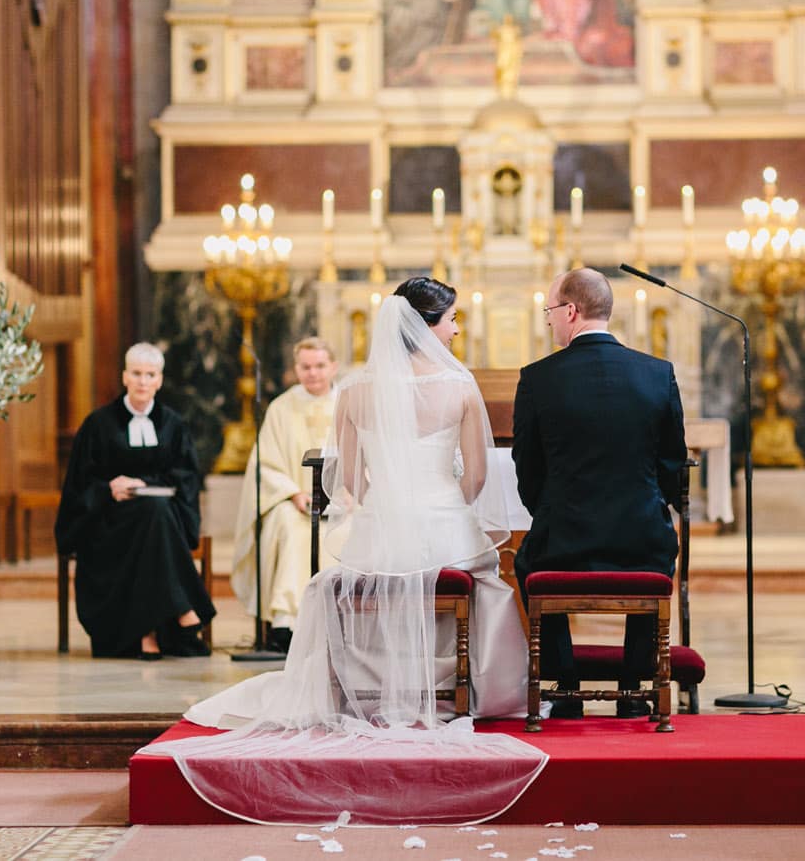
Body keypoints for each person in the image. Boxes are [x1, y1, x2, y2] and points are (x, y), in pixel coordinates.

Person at [138, 278, 543, 826]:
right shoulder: (459, 386)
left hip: (377, 526)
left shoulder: (354, 390)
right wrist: (439, 501)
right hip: (445, 524)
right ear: (425, 326)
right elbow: (473, 478)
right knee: (487, 581)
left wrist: (389, 508)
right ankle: (464, 691)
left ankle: (371, 690)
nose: (456, 328)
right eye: (450, 319)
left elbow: (348, 478)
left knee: (356, 576)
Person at [512, 267, 687, 718]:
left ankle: (565, 684)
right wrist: (651, 505)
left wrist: (550, 509)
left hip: (563, 541)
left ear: (571, 311)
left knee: (526, 560)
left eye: (550, 310)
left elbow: (526, 468)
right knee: (661, 550)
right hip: (641, 539)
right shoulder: (657, 373)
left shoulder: (537, 378)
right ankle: (631, 686)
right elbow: (672, 466)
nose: (549, 320)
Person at [55, 342, 216, 660]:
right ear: (124, 377)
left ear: (160, 380)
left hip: (161, 520)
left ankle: (148, 633)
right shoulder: (98, 424)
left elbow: (185, 478)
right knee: (153, 516)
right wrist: (108, 489)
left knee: (154, 511)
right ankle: (183, 608)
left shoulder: (174, 425)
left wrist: (145, 484)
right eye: (137, 374)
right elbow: (79, 484)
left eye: (150, 375)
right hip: (108, 522)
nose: (143, 381)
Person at [231, 337, 338, 653]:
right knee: (290, 528)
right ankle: (285, 625)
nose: (313, 373)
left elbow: (367, 457)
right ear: (296, 369)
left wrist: (345, 495)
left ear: (333, 367)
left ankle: (341, 622)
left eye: (320, 365)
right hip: (296, 502)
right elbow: (265, 464)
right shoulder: (281, 408)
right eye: (305, 366)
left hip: (344, 503)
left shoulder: (349, 403)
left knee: (347, 530)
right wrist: (292, 494)